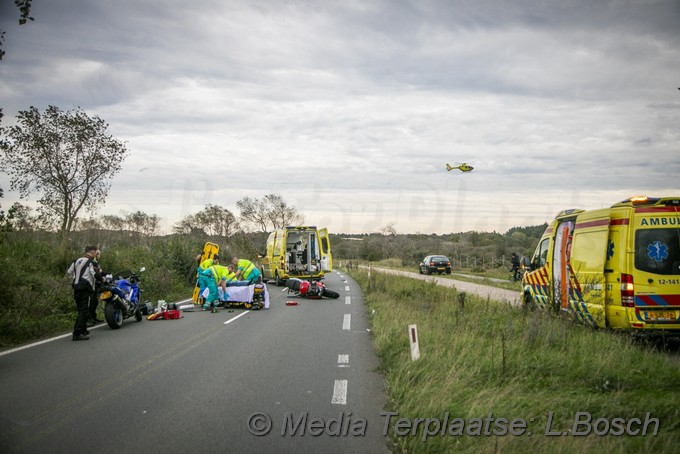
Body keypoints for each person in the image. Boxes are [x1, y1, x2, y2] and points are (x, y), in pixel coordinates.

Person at [67, 245, 101, 341]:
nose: (95, 255)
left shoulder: (76, 261)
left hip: (76, 288)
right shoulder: (91, 262)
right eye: (95, 253)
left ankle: (83, 330)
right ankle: (77, 333)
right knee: (84, 311)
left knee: (81, 310)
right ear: (92, 253)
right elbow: (95, 274)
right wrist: (102, 278)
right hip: (85, 289)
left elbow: (69, 272)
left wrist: (75, 279)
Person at [87, 249, 104, 326]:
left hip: (96, 284)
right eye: (98, 254)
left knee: (95, 302)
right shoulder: (93, 262)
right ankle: (90, 318)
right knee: (92, 302)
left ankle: (94, 317)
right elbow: (96, 273)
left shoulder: (96, 262)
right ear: (95, 254)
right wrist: (102, 277)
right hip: (92, 284)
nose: (99, 256)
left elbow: (100, 272)